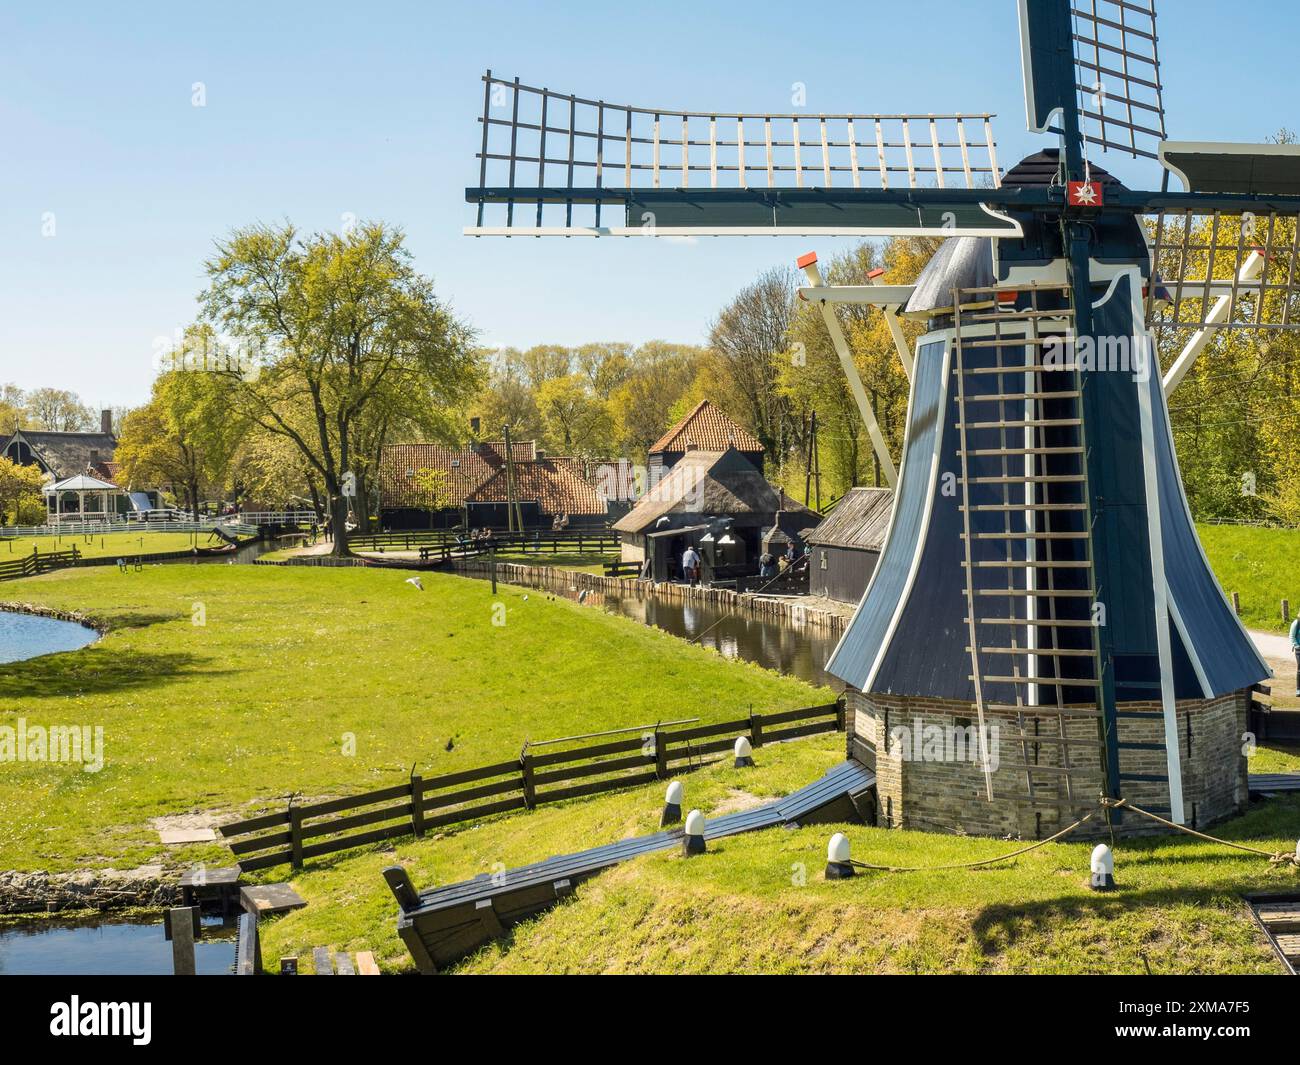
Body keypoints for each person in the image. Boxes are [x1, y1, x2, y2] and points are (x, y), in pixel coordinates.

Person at [1291, 611, 1300, 696]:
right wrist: (1296, 646)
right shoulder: (1296, 623)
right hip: (1299, 649)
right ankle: (1298, 689)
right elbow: (1292, 636)